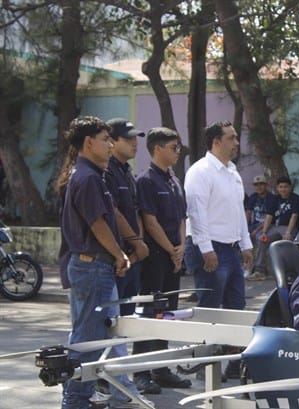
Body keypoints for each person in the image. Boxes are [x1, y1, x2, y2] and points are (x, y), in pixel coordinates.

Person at [57, 116, 154, 409]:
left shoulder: (93, 174)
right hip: (93, 265)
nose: (109, 145)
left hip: (94, 266)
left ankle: (82, 398)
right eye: (104, 139)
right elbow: (97, 224)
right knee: (89, 341)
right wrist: (119, 254)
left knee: (90, 337)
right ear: (88, 143)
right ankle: (75, 401)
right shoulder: (86, 177)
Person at [183, 121, 253, 380]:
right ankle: (205, 367)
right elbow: (197, 213)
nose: (236, 143)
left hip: (231, 249)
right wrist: (206, 249)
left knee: (236, 308)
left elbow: (238, 213)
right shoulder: (200, 171)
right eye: (231, 138)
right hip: (209, 250)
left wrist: (246, 244)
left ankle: (234, 363)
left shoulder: (232, 172)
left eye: (236, 137)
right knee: (210, 309)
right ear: (216, 141)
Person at [133, 127, 191, 392]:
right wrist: (170, 250)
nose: (178, 152)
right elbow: (150, 221)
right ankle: (141, 371)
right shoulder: (146, 180)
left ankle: (160, 367)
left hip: (173, 256)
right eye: (174, 147)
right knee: (149, 314)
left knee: (166, 315)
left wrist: (180, 248)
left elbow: (181, 218)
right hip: (156, 257)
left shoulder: (174, 180)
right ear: (158, 148)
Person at [105, 118, 149, 315]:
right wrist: (137, 244)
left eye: (136, 138)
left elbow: (135, 211)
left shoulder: (127, 172)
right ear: (111, 141)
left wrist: (138, 244)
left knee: (128, 319)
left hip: (133, 257)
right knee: (110, 321)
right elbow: (114, 212)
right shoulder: (107, 172)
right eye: (128, 138)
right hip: (116, 258)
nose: (135, 143)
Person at [254, 176, 299, 279]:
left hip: (289, 227)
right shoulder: (274, 199)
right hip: (275, 227)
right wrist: (264, 232)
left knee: (288, 241)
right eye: (280, 187)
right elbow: (269, 216)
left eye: (285, 187)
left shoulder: (296, 198)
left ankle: (291, 272)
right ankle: (259, 270)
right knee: (262, 239)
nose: (283, 189)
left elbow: (294, 216)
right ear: (277, 188)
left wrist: (288, 232)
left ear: (290, 187)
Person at [245, 175, 275, 280]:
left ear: (266, 185)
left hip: (267, 225)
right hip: (254, 224)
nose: (259, 187)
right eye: (256, 185)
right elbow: (248, 213)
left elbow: (269, 217)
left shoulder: (272, 198)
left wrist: (256, 230)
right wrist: (244, 229)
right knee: (240, 238)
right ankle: (246, 267)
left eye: (261, 184)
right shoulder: (253, 197)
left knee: (259, 238)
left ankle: (259, 270)